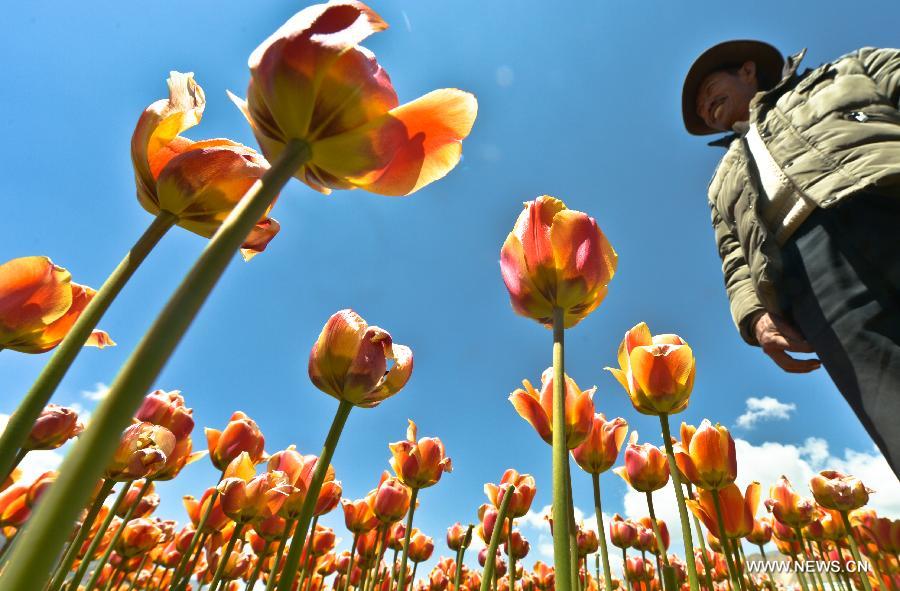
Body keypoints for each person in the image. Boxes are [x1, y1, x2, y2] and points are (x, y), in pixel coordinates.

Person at [682, 40, 900, 478]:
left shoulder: (844, 70)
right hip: (811, 276)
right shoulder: (720, 182)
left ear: (747, 71)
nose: (706, 107)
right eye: (702, 110)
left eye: (709, 89)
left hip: (884, 194)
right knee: (890, 403)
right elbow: (733, 257)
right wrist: (756, 317)